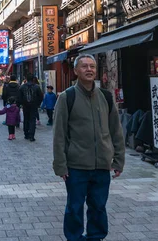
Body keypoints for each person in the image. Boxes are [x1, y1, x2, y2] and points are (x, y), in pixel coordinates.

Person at [52, 54, 125, 241]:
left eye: (92, 66)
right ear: (76, 71)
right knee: (75, 207)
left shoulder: (106, 97)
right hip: (76, 166)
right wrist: (60, 165)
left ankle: (96, 237)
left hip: (102, 165)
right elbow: (59, 134)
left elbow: (116, 131)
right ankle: (74, 238)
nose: (89, 69)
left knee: (99, 206)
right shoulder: (67, 97)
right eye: (84, 66)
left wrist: (118, 161)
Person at [18, 73, 43, 142]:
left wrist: (21, 104)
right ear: (33, 79)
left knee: (26, 119)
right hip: (34, 105)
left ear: (26, 79)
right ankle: (32, 136)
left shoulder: (22, 87)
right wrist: (38, 104)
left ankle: (26, 134)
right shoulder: (36, 87)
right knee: (32, 120)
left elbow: (19, 97)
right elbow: (41, 96)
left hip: (25, 105)